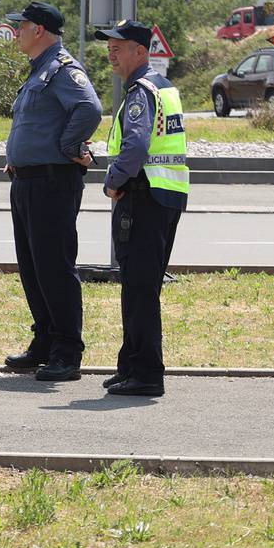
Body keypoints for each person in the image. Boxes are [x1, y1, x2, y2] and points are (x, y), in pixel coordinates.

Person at [2, 0, 103, 381]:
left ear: (39, 30)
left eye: (21, 26)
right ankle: (44, 341)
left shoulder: (62, 69)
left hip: (52, 181)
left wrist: (67, 148)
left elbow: (89, 110)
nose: (17, 32)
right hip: (28, 180)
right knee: (32, 268)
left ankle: (66, 351)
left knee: (54, 268)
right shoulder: (39, 71)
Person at [95, 20, 187, 398]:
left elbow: (135, 147)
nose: (111, 52)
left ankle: (146, 374)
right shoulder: (163, 88)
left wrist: (112, 181)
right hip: (163, 197)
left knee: (138, 289)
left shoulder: (140, 92)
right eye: (110, 46)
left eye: (120, 46)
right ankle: (131, 365)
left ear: (141, 52)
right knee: (140, 287)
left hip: (142, 197)